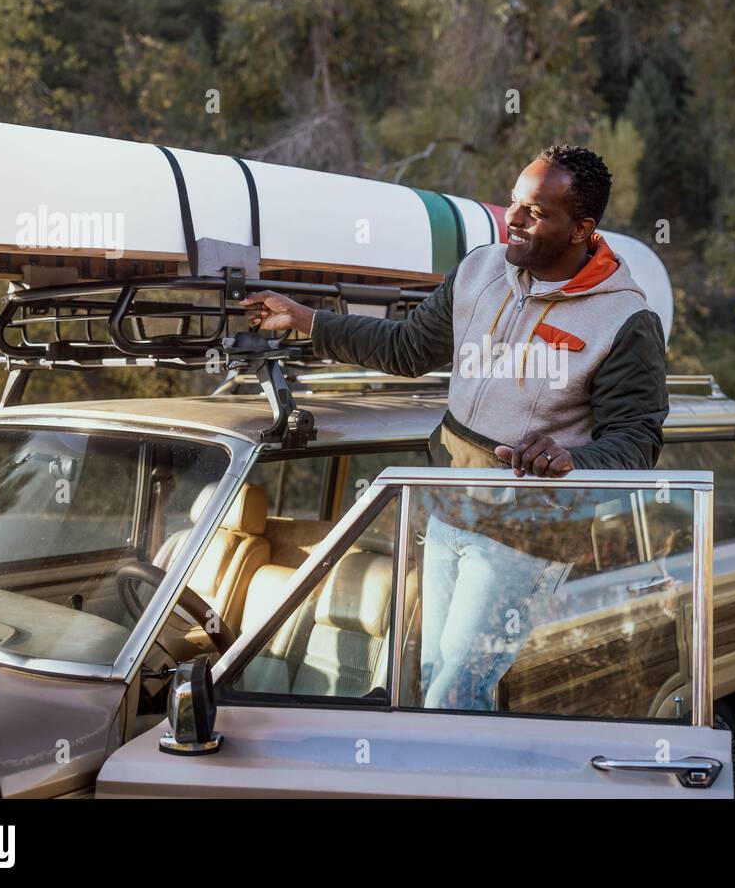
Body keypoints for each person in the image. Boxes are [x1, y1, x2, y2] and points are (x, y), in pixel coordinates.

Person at [242, 143, 668, 709]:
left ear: (581, 229)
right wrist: (306, 320)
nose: (512, 219)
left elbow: (637, 437)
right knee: (421, 679)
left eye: (535, 213)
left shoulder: (625, 319)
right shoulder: (478, 271)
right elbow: (407, 348)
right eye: (514, 203)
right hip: (450, 508)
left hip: (526, 533)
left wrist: (575, 461)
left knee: (455, 693)